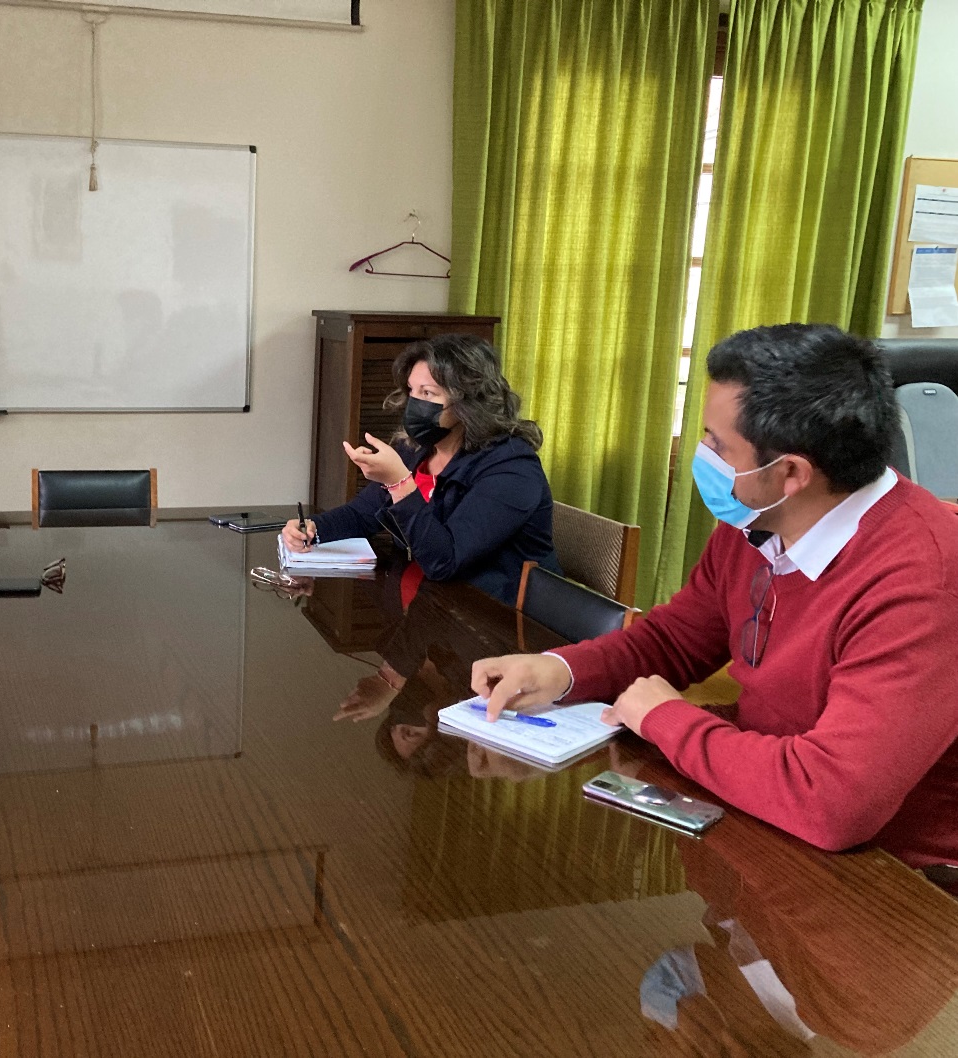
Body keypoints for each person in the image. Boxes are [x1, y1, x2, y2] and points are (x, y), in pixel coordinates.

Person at [470, 323, 958, 869]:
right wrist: (560, 671)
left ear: (790, 471)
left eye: (715, 442)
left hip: (893, 880)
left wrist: (669, 719)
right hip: (762, 814)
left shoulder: (925, 581)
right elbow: (676, 640)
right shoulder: (761, 514)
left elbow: (831, 801)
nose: (702, 454)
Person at [282, 333, 560, 604]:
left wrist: (399, 483)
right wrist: (313, 530)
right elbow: (361, 514)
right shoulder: (416, 448)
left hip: (495, 619)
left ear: (469, 402)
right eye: (412, 391)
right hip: (428, 602)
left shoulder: (512, 469)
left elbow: (445, 560)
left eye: (427, 393)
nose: (414, 403)